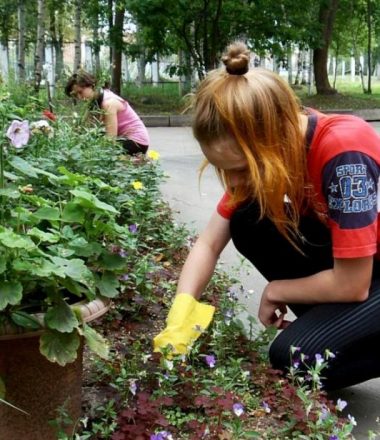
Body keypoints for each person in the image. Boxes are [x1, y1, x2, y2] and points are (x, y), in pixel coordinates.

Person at [154, 41, 380, 391]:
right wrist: (181, 310)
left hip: (362, 277)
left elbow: (353, 284)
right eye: (226, 171)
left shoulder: (343, 155)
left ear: (271, 137)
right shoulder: (278, 146)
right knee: (247, 219)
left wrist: (278, 289)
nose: (235, 182)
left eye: (241, 169)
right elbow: (209, 243)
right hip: (362, 269)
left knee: (293, 358)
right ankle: (336, 331)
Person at [65, 71, 150, 155]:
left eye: (80, 92)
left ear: (91, 85)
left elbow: (110, 140)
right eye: (76, 95)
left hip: (137, 142)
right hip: (124, 139)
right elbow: (82, 129)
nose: (80, 97)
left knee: (99, 149)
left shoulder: (108, 103)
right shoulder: (96, 100)